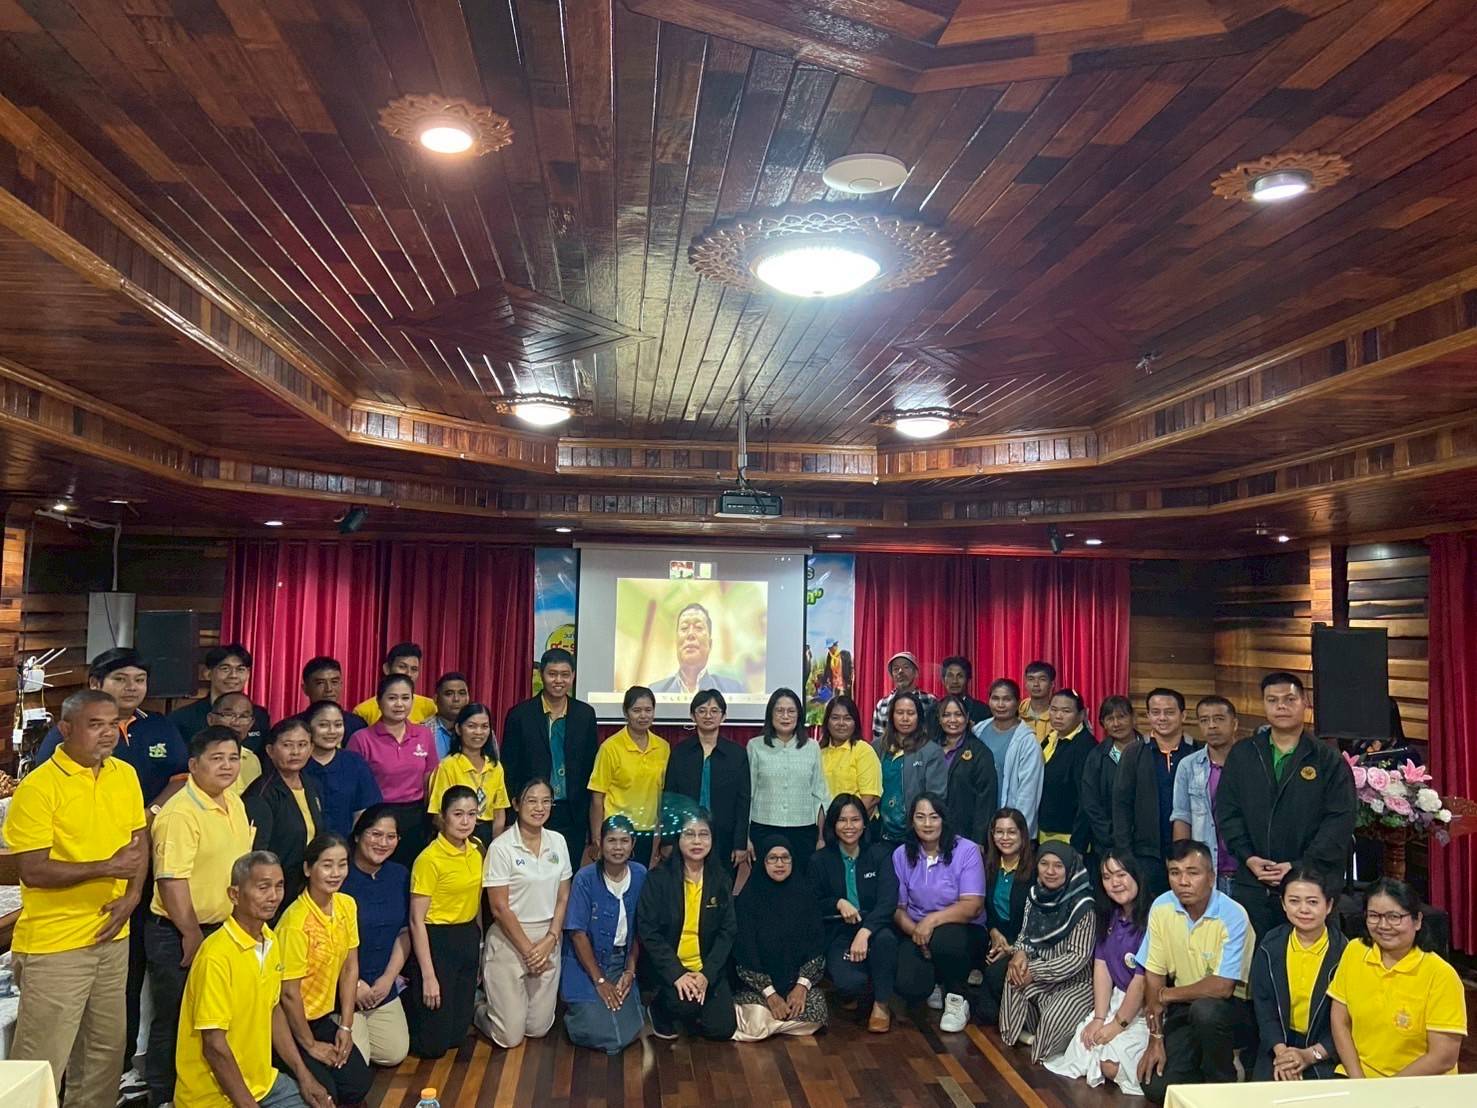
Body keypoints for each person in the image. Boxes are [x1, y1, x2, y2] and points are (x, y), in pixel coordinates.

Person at [34, 647, 187, 1100]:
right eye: (122, 679)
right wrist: (110, 862)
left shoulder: (149, 738)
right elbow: (36, 861)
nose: (132, 687)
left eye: (139, 679)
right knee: (53, 1035)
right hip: (66, 914)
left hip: (137, 884)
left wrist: (148, 818)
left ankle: (121, 1072)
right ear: (96, 683)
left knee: (120, 1000)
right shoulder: (55, 756)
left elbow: (177, 781)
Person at [8, 688, 148, 1108]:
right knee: (40, 1061)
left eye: (113, 724)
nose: (107, 733)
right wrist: (107, 867)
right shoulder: (38, 787)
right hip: (56, 944)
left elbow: (138, 841)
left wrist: (133, 896)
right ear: (65, 729)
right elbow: (33, 870)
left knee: (104, 1055)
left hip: (113, 934)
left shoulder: (125, 774)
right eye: (95, 724)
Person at [145, 725, 255, 1107]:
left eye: (233, 758)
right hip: (179, 932)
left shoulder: (234, 800)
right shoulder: (180, 813)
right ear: (193, 765)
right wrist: (191, 933)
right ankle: (163, 1096)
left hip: (223, 929)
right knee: (176, 1017)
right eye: (216, 758)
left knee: (214, 1018)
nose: (227, 766)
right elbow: (171, 879)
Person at [173, 852, 331, 1108]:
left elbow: (273, 1010)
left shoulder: (271, 940)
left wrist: (304, 1075)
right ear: (234, 895)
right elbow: (214, 1046)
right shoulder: (215, 956)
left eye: (279, 886)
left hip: (264, 1084)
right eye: (263, 887)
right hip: (211, 1097)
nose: (274, 896)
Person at [1216, 672, 1358, 938]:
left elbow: (1340, 819)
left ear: (1305, 703)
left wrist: (1300, 865)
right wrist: (1248, 857)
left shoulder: (1327, 759)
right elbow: (1227, 811)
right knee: (1256, 956)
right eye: (1272, 700)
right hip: (1254, 881)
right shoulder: (1243, 754)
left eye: (1289, 699)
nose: (1281, 706)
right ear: (1264, 705)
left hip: (1310, 883)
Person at [1135, 840, 1256, 1105]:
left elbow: (1222, 987)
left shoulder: (1233, 915)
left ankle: (1225, 1083)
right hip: (1183, 1007)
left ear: (1211, 877)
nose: (1183, 881)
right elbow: (1153, 975)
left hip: (1231, 1009)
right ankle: (1201, 1068)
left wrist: (1166, 995)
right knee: (1156, 1088)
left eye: (1193, 873)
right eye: (1175, 872)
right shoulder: (1162, 907)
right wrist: (1156, 1038)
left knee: (1206, 1011)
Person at [1328, 878, 1466, 1078]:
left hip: (1418, 1083)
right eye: (1374, 916)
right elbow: (1339, 1020)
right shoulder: (1355, 951)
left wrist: (1387, 1090)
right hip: (1358, 1075)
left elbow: (1443, 1057)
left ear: (1417, 921)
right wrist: (1359, 1081)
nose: (1383, 925)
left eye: (1394, 917)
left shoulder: (1441, 975)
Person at [1043, 851, 1152, 1095]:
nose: (1115, 883)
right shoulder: (1109, 915)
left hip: (1145, 1007)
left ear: (1137, 875)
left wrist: (1117, 1025)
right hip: (1116, 999)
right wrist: (1100, 1018)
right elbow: (1101, 967)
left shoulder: (1153, 917)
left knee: (1111, 1066)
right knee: (1084, 1044)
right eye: (1107, 877)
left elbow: (1142, 982)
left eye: (1121, 875)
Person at [277, 833, 374, 1105]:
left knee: (358, 1084)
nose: (336, 873)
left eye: (342, 864)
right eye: (327, 865)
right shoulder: (295, 923)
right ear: (308, 869)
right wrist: (310, 1045)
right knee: (325, 1093)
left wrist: (346, 1026)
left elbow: (350, 968)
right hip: (290, 1024)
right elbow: (288, 995)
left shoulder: (346, 905)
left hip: (323, 1018)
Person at [477, 777, 573, 1049]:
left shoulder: (558, 841)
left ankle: (510, 1007)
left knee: (538, 1028)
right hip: (510, 937)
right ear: (517, 804)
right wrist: (529, 951)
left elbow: (563, 896)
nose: (539, 808)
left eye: (546, 801)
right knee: (509, 1037)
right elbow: (499, 908)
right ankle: (478, 1007)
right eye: (532, 801)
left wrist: (551, 938)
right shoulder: (501, 847)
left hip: (548, 938)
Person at [636, 810, 738, 1042]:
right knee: (684, 1005)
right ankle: (658, 1007)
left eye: (704, 834)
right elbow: (649, 931)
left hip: (705, 968)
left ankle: (694, 1007)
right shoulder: (658, 878)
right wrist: (677, 974)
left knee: (722, 1029)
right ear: (677, 839)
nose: (697, 841)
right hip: (670, 969)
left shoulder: (721, 879)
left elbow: (727, 932)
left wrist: (706, 975)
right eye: (689, 834)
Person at [892, 792, 986, 1034]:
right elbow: (899, 909)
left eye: (934, 817)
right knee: (909, 984)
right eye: (920, 817)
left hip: (962, 930)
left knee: (945, 939)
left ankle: (957, 998)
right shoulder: (901, 854)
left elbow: (972, 905)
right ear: (911, 821)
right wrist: (917, 932)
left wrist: (931, 922)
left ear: (944, 819)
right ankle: (935, 980)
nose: (927, 824)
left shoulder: (966, 850)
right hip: (917, 932)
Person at [807, 794, 900, 1033]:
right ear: (833, 824)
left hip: (874, 926)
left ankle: (881, 1006)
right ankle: (865, 991)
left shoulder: (880, 854)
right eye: (842, 820)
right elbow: (812, 902)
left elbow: (888, 901)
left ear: (865, 823)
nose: (849, 826)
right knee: (850, 983)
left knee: (886, 941)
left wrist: (865, 931)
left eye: (855, 820)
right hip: (838, 930)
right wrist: (838, 903)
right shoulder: (819, 860)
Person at [999, 844, 1097, 1063]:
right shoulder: (1035, 895)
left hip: (1076, 982)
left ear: (1070, 869)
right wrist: (1020, 953)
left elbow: (1077, 958)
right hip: (1042, 974)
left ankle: (1044, 1040)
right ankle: (1014, 1038)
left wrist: (1034, 971)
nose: (1050, 871)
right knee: (1014, 976)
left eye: (1058, 866)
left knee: (1051, 1026)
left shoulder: (1083, 906)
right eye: (1044, 864)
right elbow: (1025, 934)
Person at [1249, 865, 1348, 1081]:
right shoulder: (1270, 946)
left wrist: (1311, 1055)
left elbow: (1350, 1019)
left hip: (1327, 1050)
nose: (1303, 909)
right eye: (1294, 901)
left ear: (1329, 905)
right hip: (1279, 1045)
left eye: (1312, 902)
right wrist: (1282, 1053)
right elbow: (1264, 1008)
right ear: (1283, 904)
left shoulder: (1346, 953)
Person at [406, 785, 483, 1058]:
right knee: (434, 1046)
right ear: (443, 817)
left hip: (467, 935)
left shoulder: (477, 849)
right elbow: (416, 920)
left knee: (456, 1036)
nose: (465, 821)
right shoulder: (429, 859)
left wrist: (479, 947)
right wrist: (429, 975)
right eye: (458, 814)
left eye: (471, 814)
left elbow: (476, 903)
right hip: (437, 940)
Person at [500, 647, 599, 859]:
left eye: (565, 674)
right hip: (532, 810)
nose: (558, 680)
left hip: (572, 813)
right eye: (552, 674)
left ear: (573, 676)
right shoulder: (520, 715)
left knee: (567, 871)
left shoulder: (585, 715)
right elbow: (508, 769)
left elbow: (591, 768)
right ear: (541, 674)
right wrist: (509, 817)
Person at [562, 815, 647, 1055]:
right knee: (605, 1033)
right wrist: (599, 980)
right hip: (585, 963)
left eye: (624, 841)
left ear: (633, 844)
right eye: (611, 840)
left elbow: (640, 929)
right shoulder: (585, 878)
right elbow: (577, 934)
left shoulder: (640, 874)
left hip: (621, 961)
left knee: (628, 1030)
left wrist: (630, 971)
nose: (618, 847)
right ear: (600, 842)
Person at [732, 838, 829, 1041]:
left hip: (795, 984)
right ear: (763, 862)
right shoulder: (748, 899)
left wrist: (801, 987)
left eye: (785, 858)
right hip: (758, 987)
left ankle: (773, 1026)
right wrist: (770, 994)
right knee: (757, 1021)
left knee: (818, 1010)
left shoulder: (805, 896)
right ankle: (776, 1024)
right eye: (773, 858)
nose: (780, 864)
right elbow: (744, 953)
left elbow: (816, 945)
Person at [342, 805, 412, 1067]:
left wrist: (388, 978)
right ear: (358, 835)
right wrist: (354, 984)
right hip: (345, 986)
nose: (383, 843)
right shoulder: (340, 876)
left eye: (391, 837)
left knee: (395, 1053)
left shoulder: (400, 875)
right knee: (357, 1061)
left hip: (382, 985)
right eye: (375, 834)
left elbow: (405, 932)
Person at [346, 672, 440, 867]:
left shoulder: (423, 734)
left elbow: (429, 778)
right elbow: (353, 788)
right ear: (379, 702)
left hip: (416, 818)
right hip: (376, 818)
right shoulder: (361, 739)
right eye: (392, 698)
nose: (399, 704)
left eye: (405, 698)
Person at [1113, 687, 1196, 898]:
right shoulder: (1134, 752)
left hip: (1190, 852)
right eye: (1156, 712)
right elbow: (1121, 804)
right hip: (1145, 853)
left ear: (1183, 715)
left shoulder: (1196, 752)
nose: (1162, 718)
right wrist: (1124, 852)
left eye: (1169, 712)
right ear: (1148, 716)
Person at [245, 718, 327, 915]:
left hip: (306, 886)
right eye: (287, 745)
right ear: (270, 750)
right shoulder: (261, 794)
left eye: (302, 745)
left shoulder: (311, 784)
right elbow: (256, 853)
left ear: (311, 748)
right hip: (275, 892)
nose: (295, 752)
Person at [665, 689, 750, 871]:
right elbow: (670, 798)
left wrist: (740, 843)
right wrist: (667, 840)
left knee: (722, 885)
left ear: (723, 716)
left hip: (725, 837)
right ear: (692, 716)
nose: (708, 716)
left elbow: (743, 801)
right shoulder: (680, 752)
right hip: (685, 835)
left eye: (714, 711)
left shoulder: (737, 754)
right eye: (702, 711)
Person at [747, 687, 830, 868]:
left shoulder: (812, 747)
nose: (785, 716)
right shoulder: (755, 746)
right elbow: (748, 794)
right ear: (770, 714)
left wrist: (821, 837)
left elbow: (820, 794)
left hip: (803, 830)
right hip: (764, 828)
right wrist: (745, 837)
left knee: (802, 880)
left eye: (791, 711)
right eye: (779, 711)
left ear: (799, 716)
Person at [588, 686, 670, 867]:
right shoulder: (610, 747)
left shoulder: (663, 747)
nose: (643, 716)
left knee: (643, 880)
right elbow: (597, 797)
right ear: (626, 713)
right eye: (637, 710)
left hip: (649, 831)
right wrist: (596, 838)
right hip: (617, 831)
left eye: (648, 710)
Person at [1172, 695, 1242, 894]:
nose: (1212, 726)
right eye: (1204, 720)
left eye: (1219, 719)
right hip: (1206, 870)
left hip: (1245, 868)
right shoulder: (1188, 766)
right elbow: (1182, 816)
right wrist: (1183, 866)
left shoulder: (1250, 762)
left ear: (1234, 723)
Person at [976, 808, 1035, 1023]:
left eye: (1011, 832)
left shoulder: (1036, 870)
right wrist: (992, 931)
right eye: (999, 832)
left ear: (1022, 835)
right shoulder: (986, 866)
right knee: (984, 1013)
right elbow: (983, 907)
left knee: (994, 980)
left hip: (1026, 945)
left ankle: (1029, 1020)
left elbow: (1037, 919)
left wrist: (1013, 948)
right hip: (995, 940)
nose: (1005, 838)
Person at [426, 701, 509, 847]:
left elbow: (499, 812)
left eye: (484, 726)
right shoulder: (448, 766)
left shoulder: (495, 766)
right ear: (458, 729)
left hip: (488, 836)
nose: (478, 732)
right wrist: (461, 841)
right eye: (471, 726)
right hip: (456, 837)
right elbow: (437, 814)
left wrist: (495, 846)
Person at [872, 689, 947, 848]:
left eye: (911, 713)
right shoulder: (877, 747)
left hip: (916, 836)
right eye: (900, 713)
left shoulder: (931, 751)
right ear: (891, 716)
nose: (905, 718)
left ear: (919, 717)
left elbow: (936, 796)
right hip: (880, 834)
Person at [971, 678, 1045, 836]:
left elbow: (1029, 793)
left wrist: (1018, 831)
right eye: (995, 698)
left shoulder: (1027, 741)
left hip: (1009, 826)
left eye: (1007, 699)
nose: (1000, 704)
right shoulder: (978, 731)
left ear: (1017, 702)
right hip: (980, 821)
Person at [168, 643, 271, 755]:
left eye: (240, 669)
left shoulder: (260, 716)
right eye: (225, 669)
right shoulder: (183, 718)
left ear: (248, 674)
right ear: (207, 673)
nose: (233, 675)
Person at [301, 699, 381, 838]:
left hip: (345, 844)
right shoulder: (298, 763)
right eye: (323, 725)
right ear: (308, 727)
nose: (332, 731)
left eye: (338, 725)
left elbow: (365, 812)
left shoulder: (355, 762)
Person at [1079, 696, 1139, 869]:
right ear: (1103, 724)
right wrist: (1110, 835)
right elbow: (1090, 803)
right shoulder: (1096, 756)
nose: (1116, 723)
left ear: (1133, 718)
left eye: (1121, 717)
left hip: (1145, 844)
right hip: (1106, 844)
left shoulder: (1150, 750)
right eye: (1110, 719)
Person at [936, 693, 1000, 847]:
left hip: (966, 834)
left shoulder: (980, 752)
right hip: (932, 832)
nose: (952, 720)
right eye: (946, 715)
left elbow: (986, 800)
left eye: (958, 715)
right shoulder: (930, 749)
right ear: (939, 719)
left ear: (967, 718)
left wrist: (979, 840)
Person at [1036, 689, 1095, 847]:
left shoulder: (1085, 746)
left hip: (1069, 835)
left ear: (1081, 715)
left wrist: (1078, 842)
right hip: (1044, 830)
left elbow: (1086, 799)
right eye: (1054, 709)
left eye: (1066, 711)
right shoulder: (1051, 738)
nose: (1058, 716)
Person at [649, 602, 746, 695]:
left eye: (699, 627)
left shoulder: (733, 690)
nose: (690, 634)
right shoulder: (655, 692)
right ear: (677, 643)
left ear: (710, 644)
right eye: (684, 628)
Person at [817, 695, 881, 819]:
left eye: (847, 718)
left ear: (855, 723)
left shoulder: (863, 750)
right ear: (827, 722)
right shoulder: (819, 753)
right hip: (825, 824)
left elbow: (870, 798)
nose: (841, 723)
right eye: (835, 718)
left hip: (856, 824)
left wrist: (846, 822)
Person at [351, 641, 438, 725]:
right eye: (402, 667)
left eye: (414, 669)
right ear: (387, 669)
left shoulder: (430, 707)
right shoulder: (364, 711)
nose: (409, 674)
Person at [205, 692, 264, 796]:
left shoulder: (252, 759)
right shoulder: (200, 756)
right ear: (211, 719)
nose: (236, 722)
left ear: (251, 723)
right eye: (228, 715)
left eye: (244, 716)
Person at [871, 651, 937, 742]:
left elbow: (937, 736)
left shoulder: (930, 701)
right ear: (892, 675)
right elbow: (878, 740)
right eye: (896, 669)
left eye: (906, 667)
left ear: (916, 672)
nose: (900, 671)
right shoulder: (882, 704)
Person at [300, 656, 370, 737]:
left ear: (341, 685)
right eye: (320, 683)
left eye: (334, 682)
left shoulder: (357, 725)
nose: (329, 689)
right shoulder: (295, 726)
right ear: (305, 688)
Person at [424, 671, 471, 759]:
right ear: (436, 699)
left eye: (462, 693)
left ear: (468, 698)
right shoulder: (422, 730)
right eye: (449, 693)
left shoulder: (481, 730)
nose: (456, 699)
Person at [939, 656, 989, 727]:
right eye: (950, 676)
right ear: (943, 680)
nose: (955, 681)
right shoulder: (934, 710)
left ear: (968, 679)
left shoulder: (983, 711)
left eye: (960, 676)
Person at [1021, 660, 1057, 742]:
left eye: (1042, 679)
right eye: (1031, 679)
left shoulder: (1060, 714)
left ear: (1052, 684)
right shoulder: (1017, 711)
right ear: (1026, 684)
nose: (1036, 684)